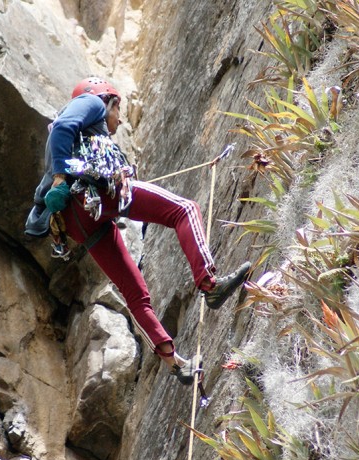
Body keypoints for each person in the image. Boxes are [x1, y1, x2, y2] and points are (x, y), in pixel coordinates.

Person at [26, 77, 250, 385]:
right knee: (183, 210)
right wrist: (61, 180)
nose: (118, 120)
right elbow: (63, 129)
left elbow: (62, 136)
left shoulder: (76, 137)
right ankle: (209, 284)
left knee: (135, 293)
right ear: (109, 101)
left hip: (77, 223)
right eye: (119, 110)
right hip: (89, 194)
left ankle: (175, 362)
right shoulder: (90, 103)